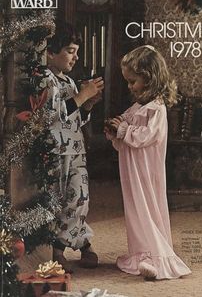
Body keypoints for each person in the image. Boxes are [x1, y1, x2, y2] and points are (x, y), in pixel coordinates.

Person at [104, 45, 191, 280]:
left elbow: (145, 136)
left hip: (146, 169)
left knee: (148, 209)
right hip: (132, 169)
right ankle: (142, 254)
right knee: (135, 211)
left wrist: (123, 129)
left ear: (150, 79)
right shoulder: (138, 106)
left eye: (133, 82)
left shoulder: (157, 109)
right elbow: (126, 126)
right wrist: (116, 127)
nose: (130, 87)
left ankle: (157, 257)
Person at [35, 22, 104, 272]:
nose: (75, 57)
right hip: (55, 152)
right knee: (60, 199)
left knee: (80, 197)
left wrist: (87, 104)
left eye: (76, 51)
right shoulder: (46, 79)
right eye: (70, 51)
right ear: (51, 52)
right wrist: (82, 96)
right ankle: (58, 248)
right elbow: (53, 115)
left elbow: (76, 117)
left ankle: (80, 241)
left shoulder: (69, 81)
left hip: (76, 150)